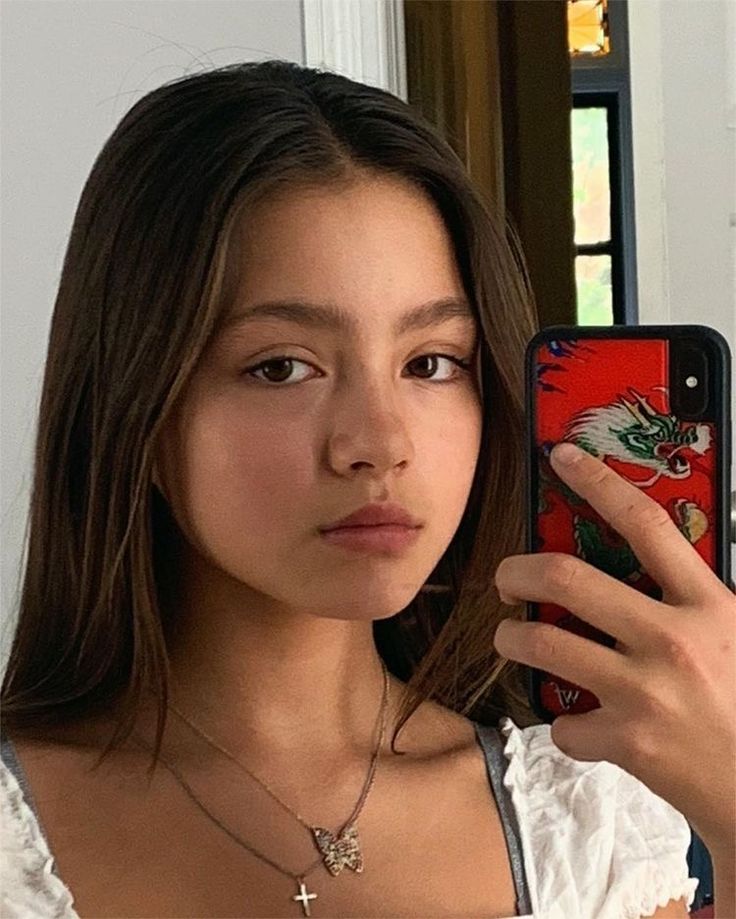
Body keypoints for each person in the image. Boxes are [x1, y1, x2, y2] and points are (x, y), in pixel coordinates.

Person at [0, 59, 732, 919]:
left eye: (431, 363)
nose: (380, 443)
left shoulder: (580, 819)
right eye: (283, 367)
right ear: (136, 404)